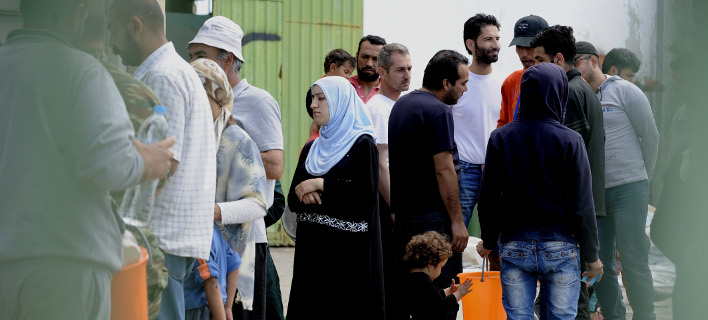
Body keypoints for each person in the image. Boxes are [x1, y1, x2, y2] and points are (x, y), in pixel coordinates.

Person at [0, 0, 174, 318]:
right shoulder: (80, 71)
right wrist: (148, 161)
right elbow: (109, 164)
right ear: (78, 11)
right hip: (62, 270)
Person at [108, 1, 217, 318]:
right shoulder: (177, 70)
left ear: (134, 26)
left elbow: (163, 165)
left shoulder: (162, 76)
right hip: (172, 235)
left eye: (113, 29)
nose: (111, 41)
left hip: (160, 237)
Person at [476, 63, 603, 320]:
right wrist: (592, 255)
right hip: (561, 246)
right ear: (558, 93)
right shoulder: (570, 140)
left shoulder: (500, 138)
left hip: (514, 246)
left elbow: (488, 197)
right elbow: (582, 203)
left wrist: (489, 242)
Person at [188, 16, 285, 320]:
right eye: (192, 57)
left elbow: (275, 165)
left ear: (227, 60)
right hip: (205, 237)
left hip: (242, 237)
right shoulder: (195, 108)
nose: (194, 64)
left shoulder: (256, 102)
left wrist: (232, 145)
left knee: (242, 310)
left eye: (201, 56)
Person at [78, 9, 168, 320]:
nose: (116, 42)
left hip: (72, 254)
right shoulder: (137, 91)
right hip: (127, 248)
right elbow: (158, 177)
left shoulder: (48, 83)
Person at [575, 41, 659, 320]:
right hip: (597, 193)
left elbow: (650, 136)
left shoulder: (625, 90)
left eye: (578, 63)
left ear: (593, 61)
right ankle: (613, 316)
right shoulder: (581, 96)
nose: (573, 70)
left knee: (634, 260)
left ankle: (646, 316)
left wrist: (640, 176)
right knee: (601, 264)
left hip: (629, 190)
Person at [287, 76, 384, 320]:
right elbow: (293, 198)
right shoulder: (312, 149)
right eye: (312, 99)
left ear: (340, 102)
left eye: (321, 98)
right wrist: (306, 193)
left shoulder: (362, 144)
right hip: (312, 256)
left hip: (347, 259)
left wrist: (320, 185)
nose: (313, 105)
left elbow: (364, 198)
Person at [530, 25, 605, 319]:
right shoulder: (581, 88)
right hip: (582, 206)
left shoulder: (570, 94)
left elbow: (566, 163)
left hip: (573, 210)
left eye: (539, 60)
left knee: (571, 300)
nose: (535, 68)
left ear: (558, 59)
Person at [389, 49, 469, 320]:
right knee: (439, 299)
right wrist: (458, 222)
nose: (465, 89)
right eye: (462, 83)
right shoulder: (438, 110)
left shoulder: (402, 104)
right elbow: (445, 170)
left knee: (412, 300)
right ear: (446, 83)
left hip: (405, 220)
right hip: (433, 220)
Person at [365, 42, 412, 319]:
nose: (407, 75)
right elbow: (381, 164)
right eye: (400, 70)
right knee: (392, 275)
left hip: (396, 198)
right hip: (388, 202)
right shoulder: (380, 109)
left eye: (409, 68)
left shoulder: (396, 104)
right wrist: (395, 207)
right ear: (382, 72)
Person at [452, 13, 502, 229]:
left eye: (497, 39)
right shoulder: (457, 84)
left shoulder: (504, 84)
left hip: (497, 170)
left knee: (499, 239)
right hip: (464, 171)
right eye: (488, 39)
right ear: (470, 44)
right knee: (455, 236)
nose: (496, 45)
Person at [403, 231, 473, 320]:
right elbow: (440, 307)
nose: (441, 270)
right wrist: (459, 294)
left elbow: (432, 300)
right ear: (430, 264)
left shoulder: (412, 279)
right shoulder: (424, 282)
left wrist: (448, 291)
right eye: (441, 267)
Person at [497, 14, 548, 127]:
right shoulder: (511, 81)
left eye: (529, 46)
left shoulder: (564, 82)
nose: (523, 54)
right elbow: (503, 123)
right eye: (519, 46)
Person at [184, 225, 242, 320]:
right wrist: (227, 308)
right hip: (218, 306)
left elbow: (211, 282)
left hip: (199, 310)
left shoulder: (195, 236)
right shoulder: (214, 230)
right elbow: (234, 264)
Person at [307, 48, 358, 141]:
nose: (348, 77)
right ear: (333, 67)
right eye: (346, 72)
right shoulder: (318, 89)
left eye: (350, 74)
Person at [350, 35, 386, 103]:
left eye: (375, 59)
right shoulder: (344, 86)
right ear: (357, 57)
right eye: (365, 57)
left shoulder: (390, 93)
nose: (369, 64)